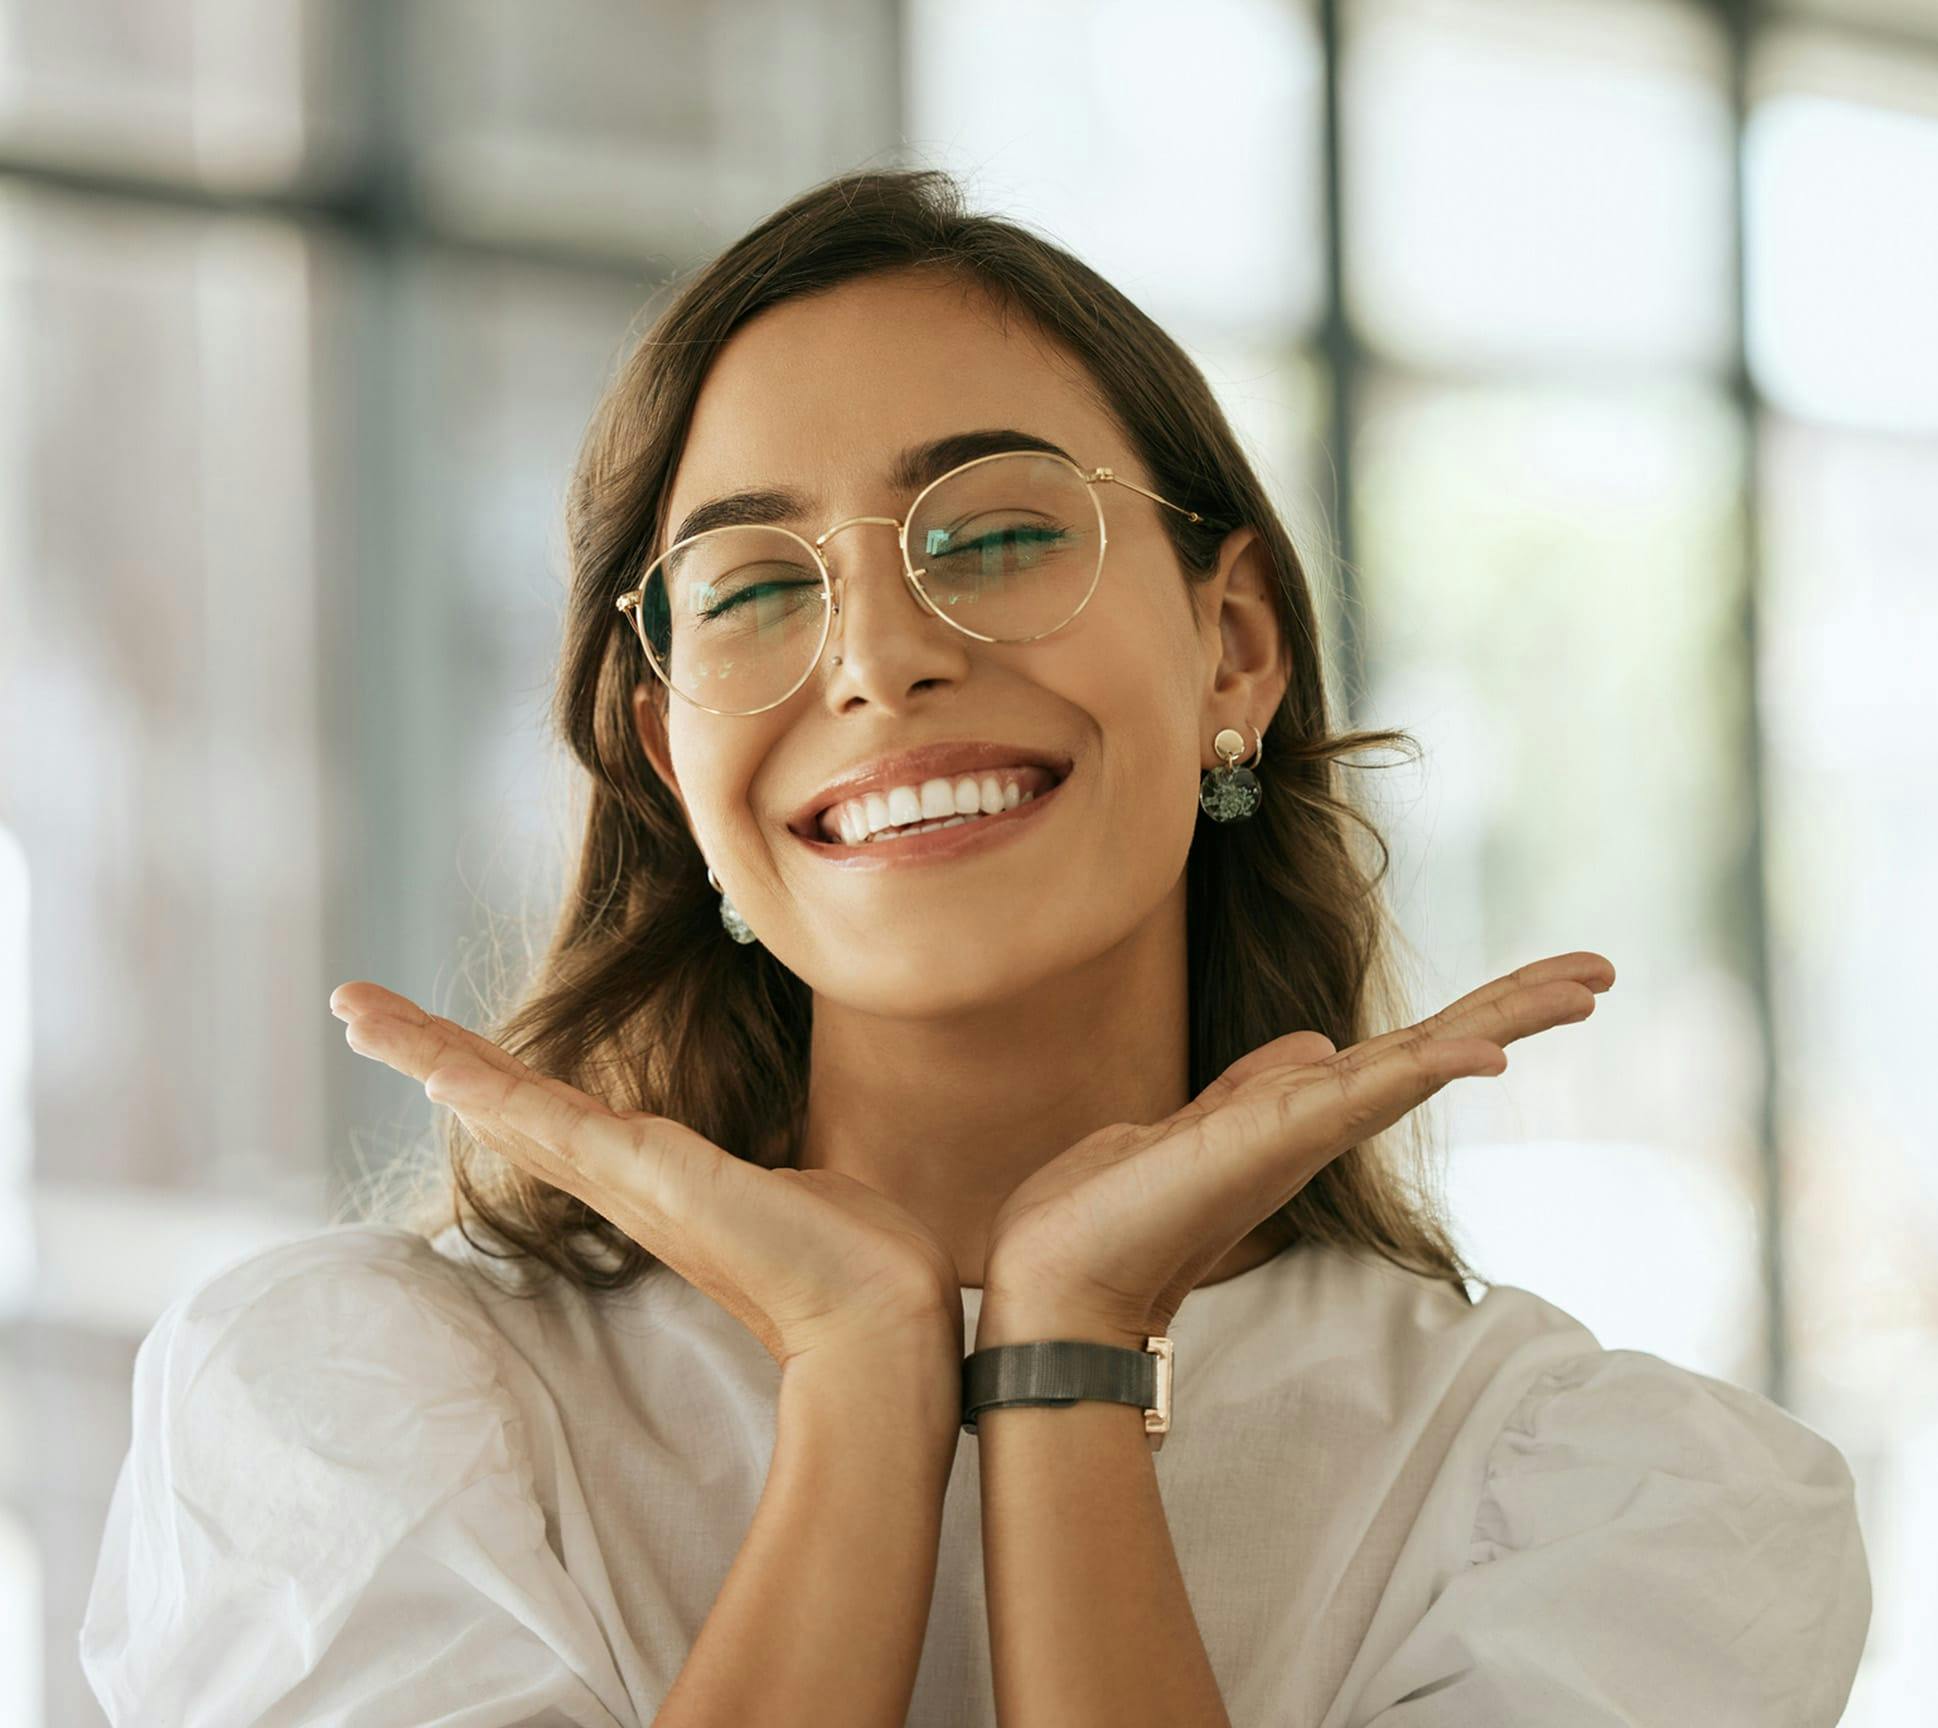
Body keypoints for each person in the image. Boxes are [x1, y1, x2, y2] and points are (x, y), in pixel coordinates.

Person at [78, 166, 1870, 1727]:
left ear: (1232, 648)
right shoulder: (354, 1419)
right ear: (668, 758)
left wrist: (1066, 1358)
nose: (875, 659)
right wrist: (858, 1374)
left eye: (999, 533)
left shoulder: (1601, 1502)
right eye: (759, 587)